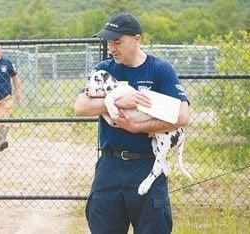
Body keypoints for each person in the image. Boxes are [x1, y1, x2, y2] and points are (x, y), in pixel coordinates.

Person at [74, 12, 190, 233]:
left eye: (117, 42)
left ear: (137, 39)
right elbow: (80, 106)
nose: (112, 48)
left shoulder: (160, 70)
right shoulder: (104, 69)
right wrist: (119, 100)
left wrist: (138, 127)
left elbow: (183, 116)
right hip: (110, 164)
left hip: (147, 165)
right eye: (109, 42)